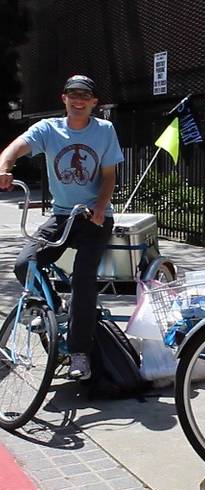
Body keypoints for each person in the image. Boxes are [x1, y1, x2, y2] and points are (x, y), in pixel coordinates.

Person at [0, 75, 124, 380]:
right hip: (61, 215)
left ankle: (79, 353)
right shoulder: (49, 129)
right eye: (73, 94)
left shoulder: (104, 130)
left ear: (94, 102)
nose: (78, 100)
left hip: (95, 217)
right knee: (24, 264)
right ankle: (54, 309)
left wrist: (99, 206)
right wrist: (4, 167)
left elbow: (109, 175)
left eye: (85, 95)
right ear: (64, 98)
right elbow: (13, 147)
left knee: (83, 280)